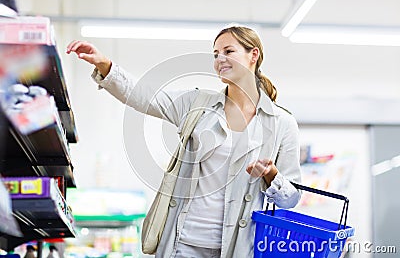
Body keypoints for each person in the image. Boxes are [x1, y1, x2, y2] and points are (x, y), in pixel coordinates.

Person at [67, 24, 302, 258]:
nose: (220, 59)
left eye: (228, 51)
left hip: (238, 247)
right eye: (215, 54)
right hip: (184, 243)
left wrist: (271, 175)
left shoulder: (282, 123)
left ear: (254, 55)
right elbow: (146, 97)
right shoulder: (197, 104)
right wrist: (104, 64)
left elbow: (291, 198)